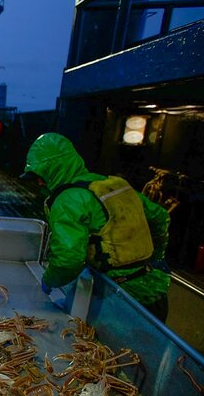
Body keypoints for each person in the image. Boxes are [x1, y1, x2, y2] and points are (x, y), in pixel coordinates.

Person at [21, 133, 171, 321]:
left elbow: (69, 260)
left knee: (109, 348)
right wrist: (155, 256)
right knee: (152, 348)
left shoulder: (68, 200)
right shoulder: (114, 185)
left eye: (40, 175)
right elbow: (160, 217)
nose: (40, 182)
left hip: (120, 299)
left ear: (55, 168)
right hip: (155, 289)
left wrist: (49, 280)